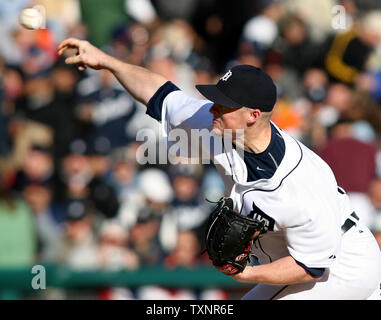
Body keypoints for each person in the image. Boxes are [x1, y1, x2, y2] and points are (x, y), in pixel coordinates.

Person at [57, 38, 381, 300]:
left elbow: (311, 268)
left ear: (253, 116)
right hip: (308, 257)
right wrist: (109, 62)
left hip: (342, 263)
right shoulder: (218, 126)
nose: (213, 108)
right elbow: (160, 94)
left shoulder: (300, 184)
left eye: (224, 105)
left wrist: (246, 274)